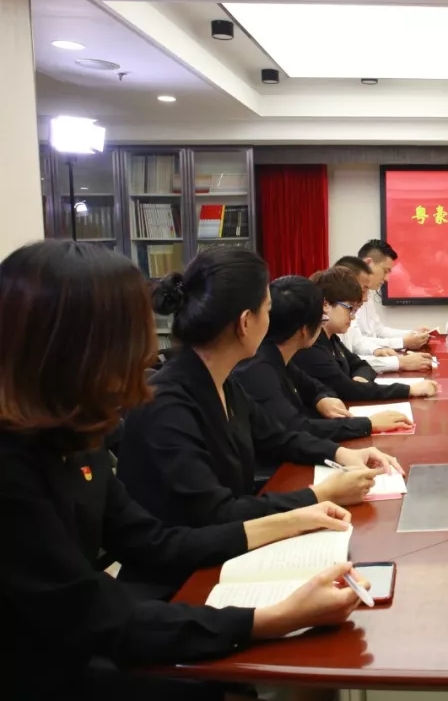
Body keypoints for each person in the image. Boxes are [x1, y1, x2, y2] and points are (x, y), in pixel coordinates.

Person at [0, 240, 371, 701]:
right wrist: (272, 618)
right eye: (130, 338)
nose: (142, 356)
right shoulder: (15, 466)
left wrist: (297, 520)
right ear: (73, 349)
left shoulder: (75, 435)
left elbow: (151, 540)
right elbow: (89, 615)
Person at [118, 248, 399, 533]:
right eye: (267, 309)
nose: (272, 319)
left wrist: (341, 454)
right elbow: (217, 513)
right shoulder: (168, 405)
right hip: (196, 556)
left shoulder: (224, 382)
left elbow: (279, 437)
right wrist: (320, 494)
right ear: (245, 322)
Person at [233, 276, 414, 440]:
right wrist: (368, 424)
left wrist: (322, 399)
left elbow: (315, 387)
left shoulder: (278, 356)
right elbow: (295, 428)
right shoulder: (259, 368)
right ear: (305, 330)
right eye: (321, 321)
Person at [293, 267, 439, 403]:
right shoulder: (311, 345)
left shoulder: (331, 338)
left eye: (355, 310)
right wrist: (409, 390)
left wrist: (359, 378)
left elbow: (361, 365)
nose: (352, 317)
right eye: (350, 309)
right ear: (325, 305)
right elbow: (347, 390)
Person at [336, 255, 433, 374]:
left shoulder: (353, 306)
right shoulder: (331, 321)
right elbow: (346, 363)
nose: (365, 298)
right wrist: (399, 360)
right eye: (363, 290)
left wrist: (377, 350)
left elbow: (358, 342)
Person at [353, 239, 431, 350]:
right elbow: (357, 343)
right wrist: (402, 343)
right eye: (385, 271)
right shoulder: (345, 293)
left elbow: (378, 330)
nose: (387, 278)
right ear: (368, 264)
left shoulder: (367, 292)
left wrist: (413, 334)